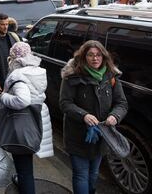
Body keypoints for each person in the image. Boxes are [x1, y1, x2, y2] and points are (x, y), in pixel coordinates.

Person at [59, 40, 128, 194]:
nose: (95, 58)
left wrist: (115, 116)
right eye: (90, 55)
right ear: (84, 57)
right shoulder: (72, 76)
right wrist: (84, 115)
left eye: (98, 55)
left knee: (94, 174)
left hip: (102, 135)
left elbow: (121, 103)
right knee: (81, 175)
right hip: (78, 135)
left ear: (104, 57)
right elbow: (65, 103)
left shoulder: (111, 76)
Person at [0, 42, 50, 194]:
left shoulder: (18, 75)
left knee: (24, 169)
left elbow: (22, 100)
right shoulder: (37, 71)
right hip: (35, 121)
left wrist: (4, 96)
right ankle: (23, 182)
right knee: (26, 164)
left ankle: (26, 187)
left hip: (21, 125)